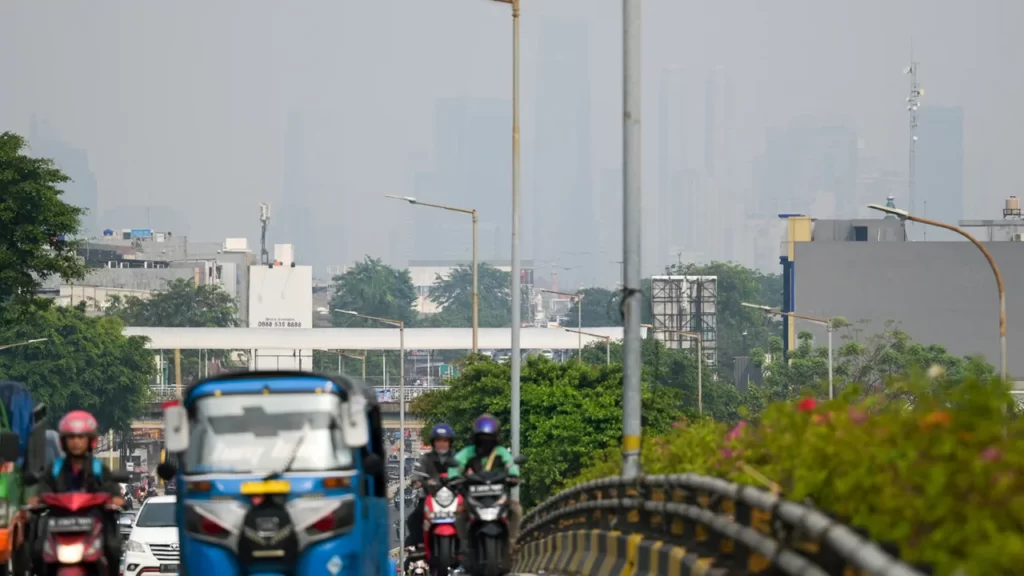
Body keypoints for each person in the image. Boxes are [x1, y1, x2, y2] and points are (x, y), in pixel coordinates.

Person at [29, 410, 125, 570]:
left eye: (81, 437)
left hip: (93, 522)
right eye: (71, 437)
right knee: (37, 549)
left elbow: (111, 488)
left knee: (113, 548)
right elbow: (43, 488)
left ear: (91, 441)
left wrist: (115, 499)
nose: (76, 442)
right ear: (63, 441)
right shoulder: (55, 468)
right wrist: (36, 499)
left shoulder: (98, 468)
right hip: (58, 521)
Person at [448, 414, 521, 567]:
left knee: (516, 509)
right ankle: (465, 545)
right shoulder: (468, 452)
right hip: (474, 497)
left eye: (489, 438)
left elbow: (510, 465)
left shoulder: (501, 452)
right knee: (460, 514)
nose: (485, 442)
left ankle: (512, 543)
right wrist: (454, 478)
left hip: (497, 496)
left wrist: (514, 476)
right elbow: (456, 467)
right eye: (482, 438)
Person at [404, 422, 456, 548]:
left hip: (454, 498)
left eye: (445, 441)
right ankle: (418, 544)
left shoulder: (457, 458)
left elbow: (467, 471)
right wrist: (417, 482)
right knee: (414, 519)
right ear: (433, 442)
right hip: (430, 498)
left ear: (450, 442)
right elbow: (416, 476)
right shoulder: (425, 459)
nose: (442, 444)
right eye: (438, 441)